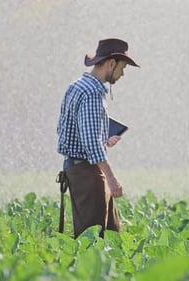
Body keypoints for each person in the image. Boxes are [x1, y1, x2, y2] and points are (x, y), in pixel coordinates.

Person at [56, 38, 139, 238]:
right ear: (111, 63)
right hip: (87, 173)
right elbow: (92, 143)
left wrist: (104, 139)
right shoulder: (93, 92)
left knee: (109, 235)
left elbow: (65, 128)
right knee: (95, 239)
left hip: (79, 168)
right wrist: (111, 180)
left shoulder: (77, 86)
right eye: (122, 67)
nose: (122, 74)